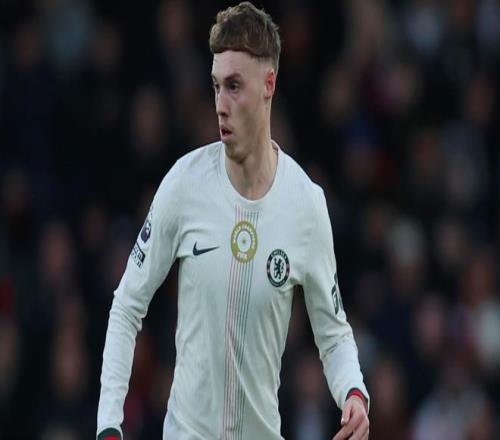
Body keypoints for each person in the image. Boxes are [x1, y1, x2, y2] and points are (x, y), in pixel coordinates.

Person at [97, 2, 370, 439]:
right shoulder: (184, 184)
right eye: (216, 87)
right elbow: (127, 305)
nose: (220, 105)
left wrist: (353, 392)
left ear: (269, 85)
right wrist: (109, 424)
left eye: (234, 87)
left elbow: (333, 334)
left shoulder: (305, 204)